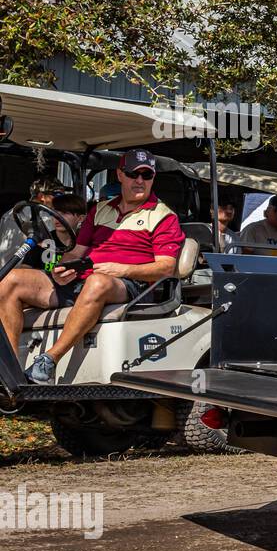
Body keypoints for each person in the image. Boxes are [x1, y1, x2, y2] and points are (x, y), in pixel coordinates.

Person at [0, 149, 184, 384]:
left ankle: (48, 360)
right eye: (133, 174)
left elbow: (166, 268)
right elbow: (77, 252)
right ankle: (9, 370)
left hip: (128, 284)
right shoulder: (100, 209)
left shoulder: (163, 216)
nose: (140, 180)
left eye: (146, 175)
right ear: (120, 175)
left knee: (97, 282)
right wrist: (65, 269)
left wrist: (122, 269)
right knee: (11, 279)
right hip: (86, 278)